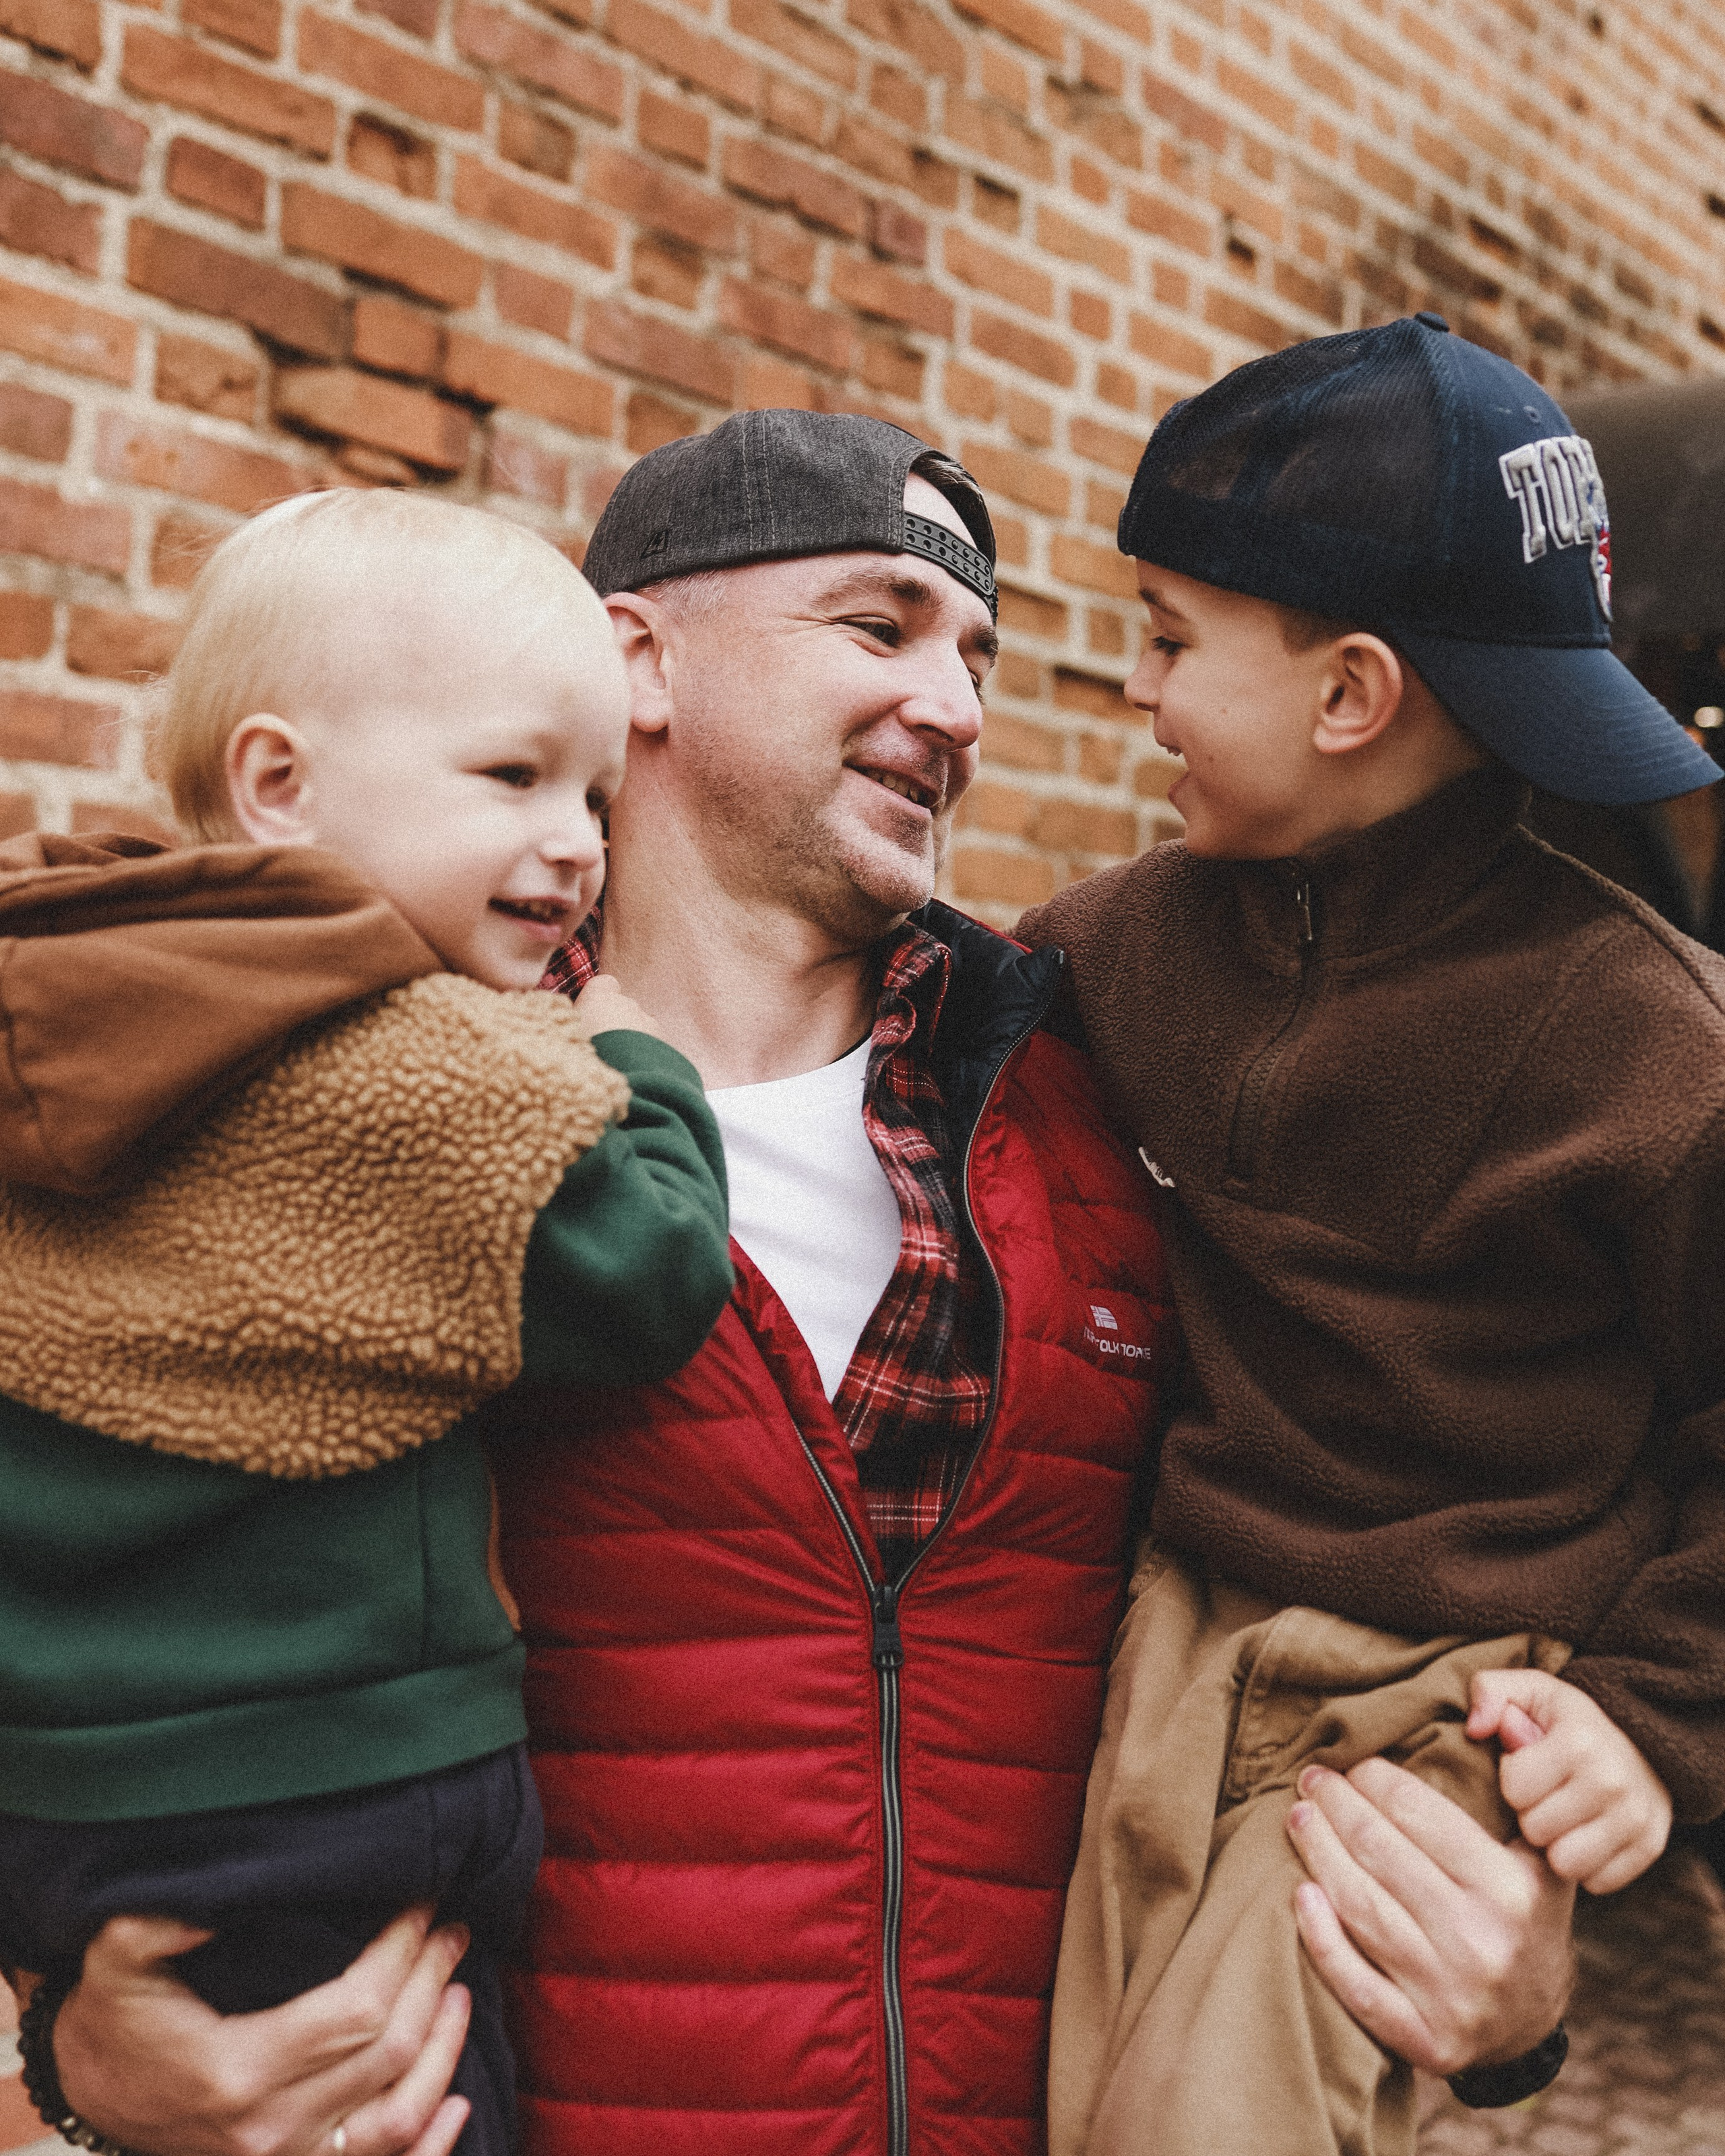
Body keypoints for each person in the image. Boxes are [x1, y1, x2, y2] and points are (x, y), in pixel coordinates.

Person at [40, 415, 1579, 2156]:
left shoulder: (1110, 1105)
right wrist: (74, 2059)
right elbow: (93, 1574)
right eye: (881, 626)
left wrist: (1513, 1988)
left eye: (978, 657)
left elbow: (1453, 1512)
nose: (958, 708)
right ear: (641, 661)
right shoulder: (384, 1118)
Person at [1016, 315, 1725, 2156]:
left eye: (1170, 637)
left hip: (1439, 1710)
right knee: (1075, 2108)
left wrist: (1653, 1727)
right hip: (1169, 1647)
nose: (1142, 691)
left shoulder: (1653, 1050)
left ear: (1348, 695)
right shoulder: (1113, 949)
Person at [0, 490, 732, 2156]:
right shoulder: (397, 1059)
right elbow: (647, 1271)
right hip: (319, 1799)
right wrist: (632, 1067)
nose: (578, 843)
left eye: (597, 794)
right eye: (513, 776)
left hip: (61, 1803)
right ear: (281, 786)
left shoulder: (56, 983)